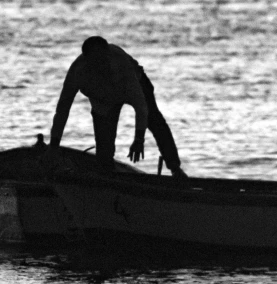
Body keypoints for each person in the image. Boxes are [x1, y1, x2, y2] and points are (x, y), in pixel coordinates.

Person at [47, 36, 187, 178]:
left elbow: (140, 106)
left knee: (154, 120)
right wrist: (54, 146)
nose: (100, 65)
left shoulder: (122, 65)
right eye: (95, 61)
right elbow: (63, 110)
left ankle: (175, 168)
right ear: (86, 60)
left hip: (132, 86)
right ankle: (107, 177)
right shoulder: (77, 72)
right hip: (103, 101)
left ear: (108, 55)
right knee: (104, 149)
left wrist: (139, 139)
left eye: (102, 59)